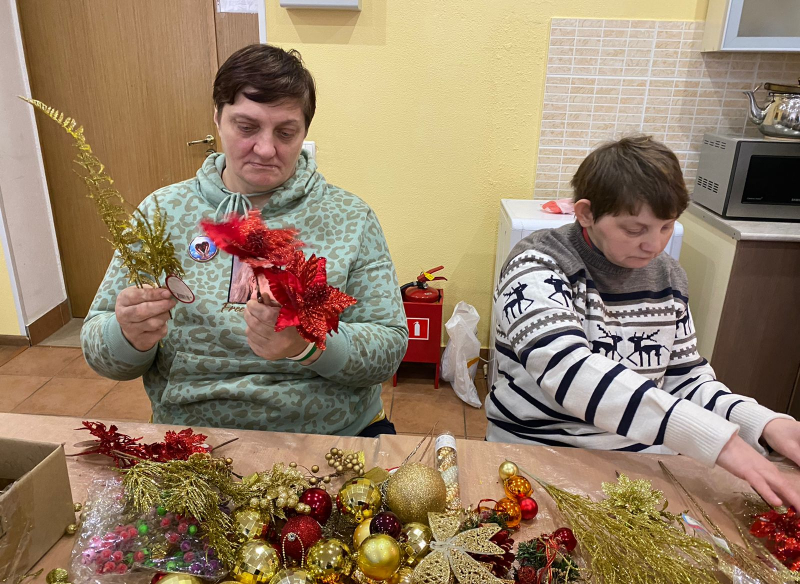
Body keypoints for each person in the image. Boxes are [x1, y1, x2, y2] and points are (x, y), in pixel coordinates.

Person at [82, 44, 408, 437]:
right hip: (191, 437)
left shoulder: (350, 217)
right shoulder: (161, 212)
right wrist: (127, 336)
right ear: (217, 117)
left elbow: (388, 349)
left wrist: (307, 343)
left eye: (285, 132)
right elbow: (101, 352)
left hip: (332, 434)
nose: (266, 149)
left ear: (304, 132)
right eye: (247, 127)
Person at [487, 136, 800, 508]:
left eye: (667, 227)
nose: (655, 245)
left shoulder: (668, 276)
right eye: (635, 230)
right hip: (538, 451)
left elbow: (685, 379)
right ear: (586, 214)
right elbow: (569, 373)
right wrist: (719, 441)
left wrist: (761, 423)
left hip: (640, 459)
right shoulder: (537, 264)